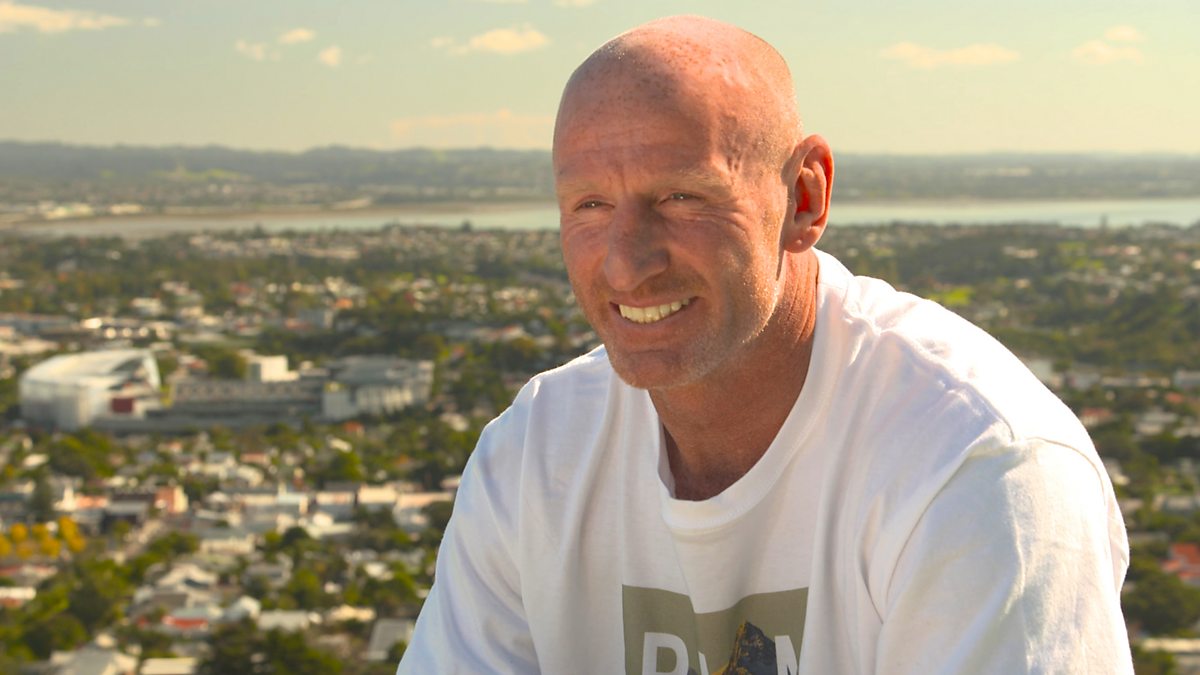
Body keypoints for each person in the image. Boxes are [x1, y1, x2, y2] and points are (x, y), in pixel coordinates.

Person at [399, 15, 1132, 674]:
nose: (626, 263)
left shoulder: (974, 465)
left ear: (804, 197)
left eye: (681, 196)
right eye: (589, 204)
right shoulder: (535, 453)